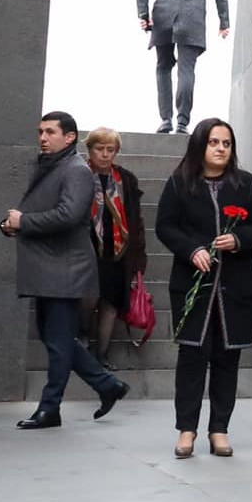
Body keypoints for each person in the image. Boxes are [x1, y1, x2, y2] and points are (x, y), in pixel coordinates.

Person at [3, 112, 130, 429]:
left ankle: (50, 408)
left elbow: (69, 215)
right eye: (40, 132)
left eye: (50, 132)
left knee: (59, 342)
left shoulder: (75, 170)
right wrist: (11, 225)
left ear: (70, 137)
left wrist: (25, 222)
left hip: (64, 270)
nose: (42, 137)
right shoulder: (53, 166)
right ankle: (107, 385)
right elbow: (41, 210)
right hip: (49, 268)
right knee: (54, 337)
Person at [155, 118, 252, 459]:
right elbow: (165, 226)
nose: (221, 148)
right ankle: (186, 429)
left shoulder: (247, 184)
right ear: (200, 146)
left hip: (236, 287)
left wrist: (238, 239)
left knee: (226, 359)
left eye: (227, 143)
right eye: (214, 142)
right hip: (194, 285)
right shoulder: (179, 183)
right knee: (192, 357)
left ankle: (219, 428)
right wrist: (192, 250)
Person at [135, 0, 230, 134]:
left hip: (162, 17)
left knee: (163, 66)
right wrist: (224, 22)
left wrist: (143, 15)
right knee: (187, 70)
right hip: (193, 21)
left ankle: (165, 119)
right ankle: (182, 122)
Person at [82, 128, 150, 361]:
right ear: (89, 149)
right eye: (99, 149)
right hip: (86, 252)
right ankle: (81, 345)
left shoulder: (126, 179)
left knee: (111, 305)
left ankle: (102, 355)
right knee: (87, 299)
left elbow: (136, 220)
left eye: (110, 150)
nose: (104, 154)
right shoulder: (78, 174)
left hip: (118, 253)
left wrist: (139, 258)